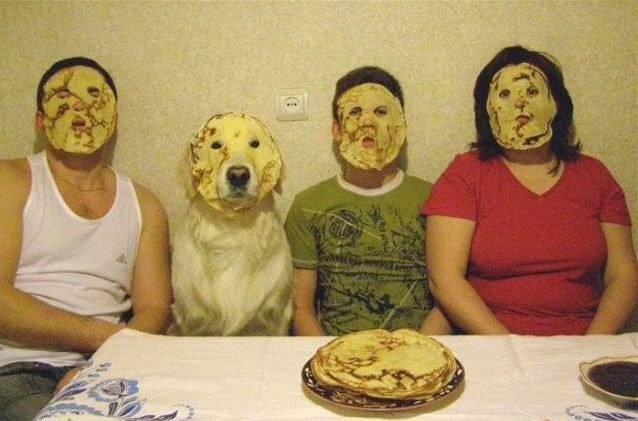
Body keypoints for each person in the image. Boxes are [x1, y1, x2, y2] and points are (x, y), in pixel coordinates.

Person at [0, 57, 173, 420]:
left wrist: (103, 364)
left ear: (114, 120)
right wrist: (104, 338)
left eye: (94, 97)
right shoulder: (11, 182)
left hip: (113, 367)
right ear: (41, 120)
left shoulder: (145, 205)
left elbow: (155, 308)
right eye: (63, 98)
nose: (80, 109)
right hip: (18, 369)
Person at [423, 45, 638, 335]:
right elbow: (445, 280)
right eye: (505, 94)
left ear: (556, 103)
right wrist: (510, 345)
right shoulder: (465, 174)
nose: (520, 103)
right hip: (490, 339)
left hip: (584, 339)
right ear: (488, 110)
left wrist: (593, 346)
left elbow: (623, 276)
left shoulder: (595, 176)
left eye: (533, 92)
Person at [284, 66, 449, 336]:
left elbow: (447, 296)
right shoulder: (307, 205)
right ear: (337, 130)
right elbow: (301, 307)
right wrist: (327, 354)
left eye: (381, 112)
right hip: (336, 349)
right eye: (354, 112)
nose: (367, 122)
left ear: (399, 126)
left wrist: (420, 349)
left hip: (419, 346)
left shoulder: (436, 199)